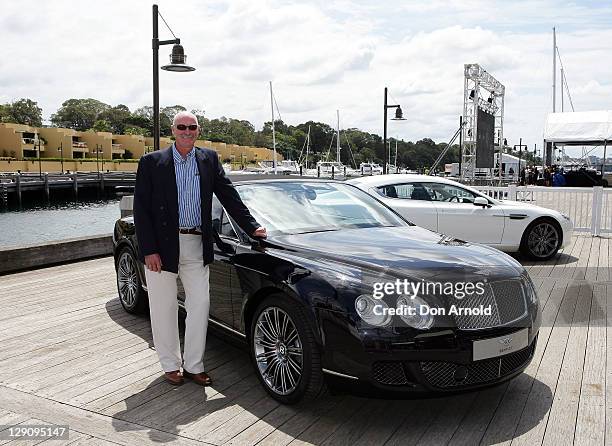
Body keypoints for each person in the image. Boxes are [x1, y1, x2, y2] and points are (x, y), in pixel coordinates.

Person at [133, 111, 266, 386]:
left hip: (196, 243)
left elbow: (229, 195)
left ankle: (194, 364)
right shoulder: (151, 162)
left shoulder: (208, 159)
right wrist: (149, 250)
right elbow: (141, 210)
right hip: (161, 246)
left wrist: (252, 227)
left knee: (200, 305)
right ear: (173, 130)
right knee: (163, 307)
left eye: (191, 127)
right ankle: (170, 364)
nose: (186, 131)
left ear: (198, 130)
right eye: (181, 127)